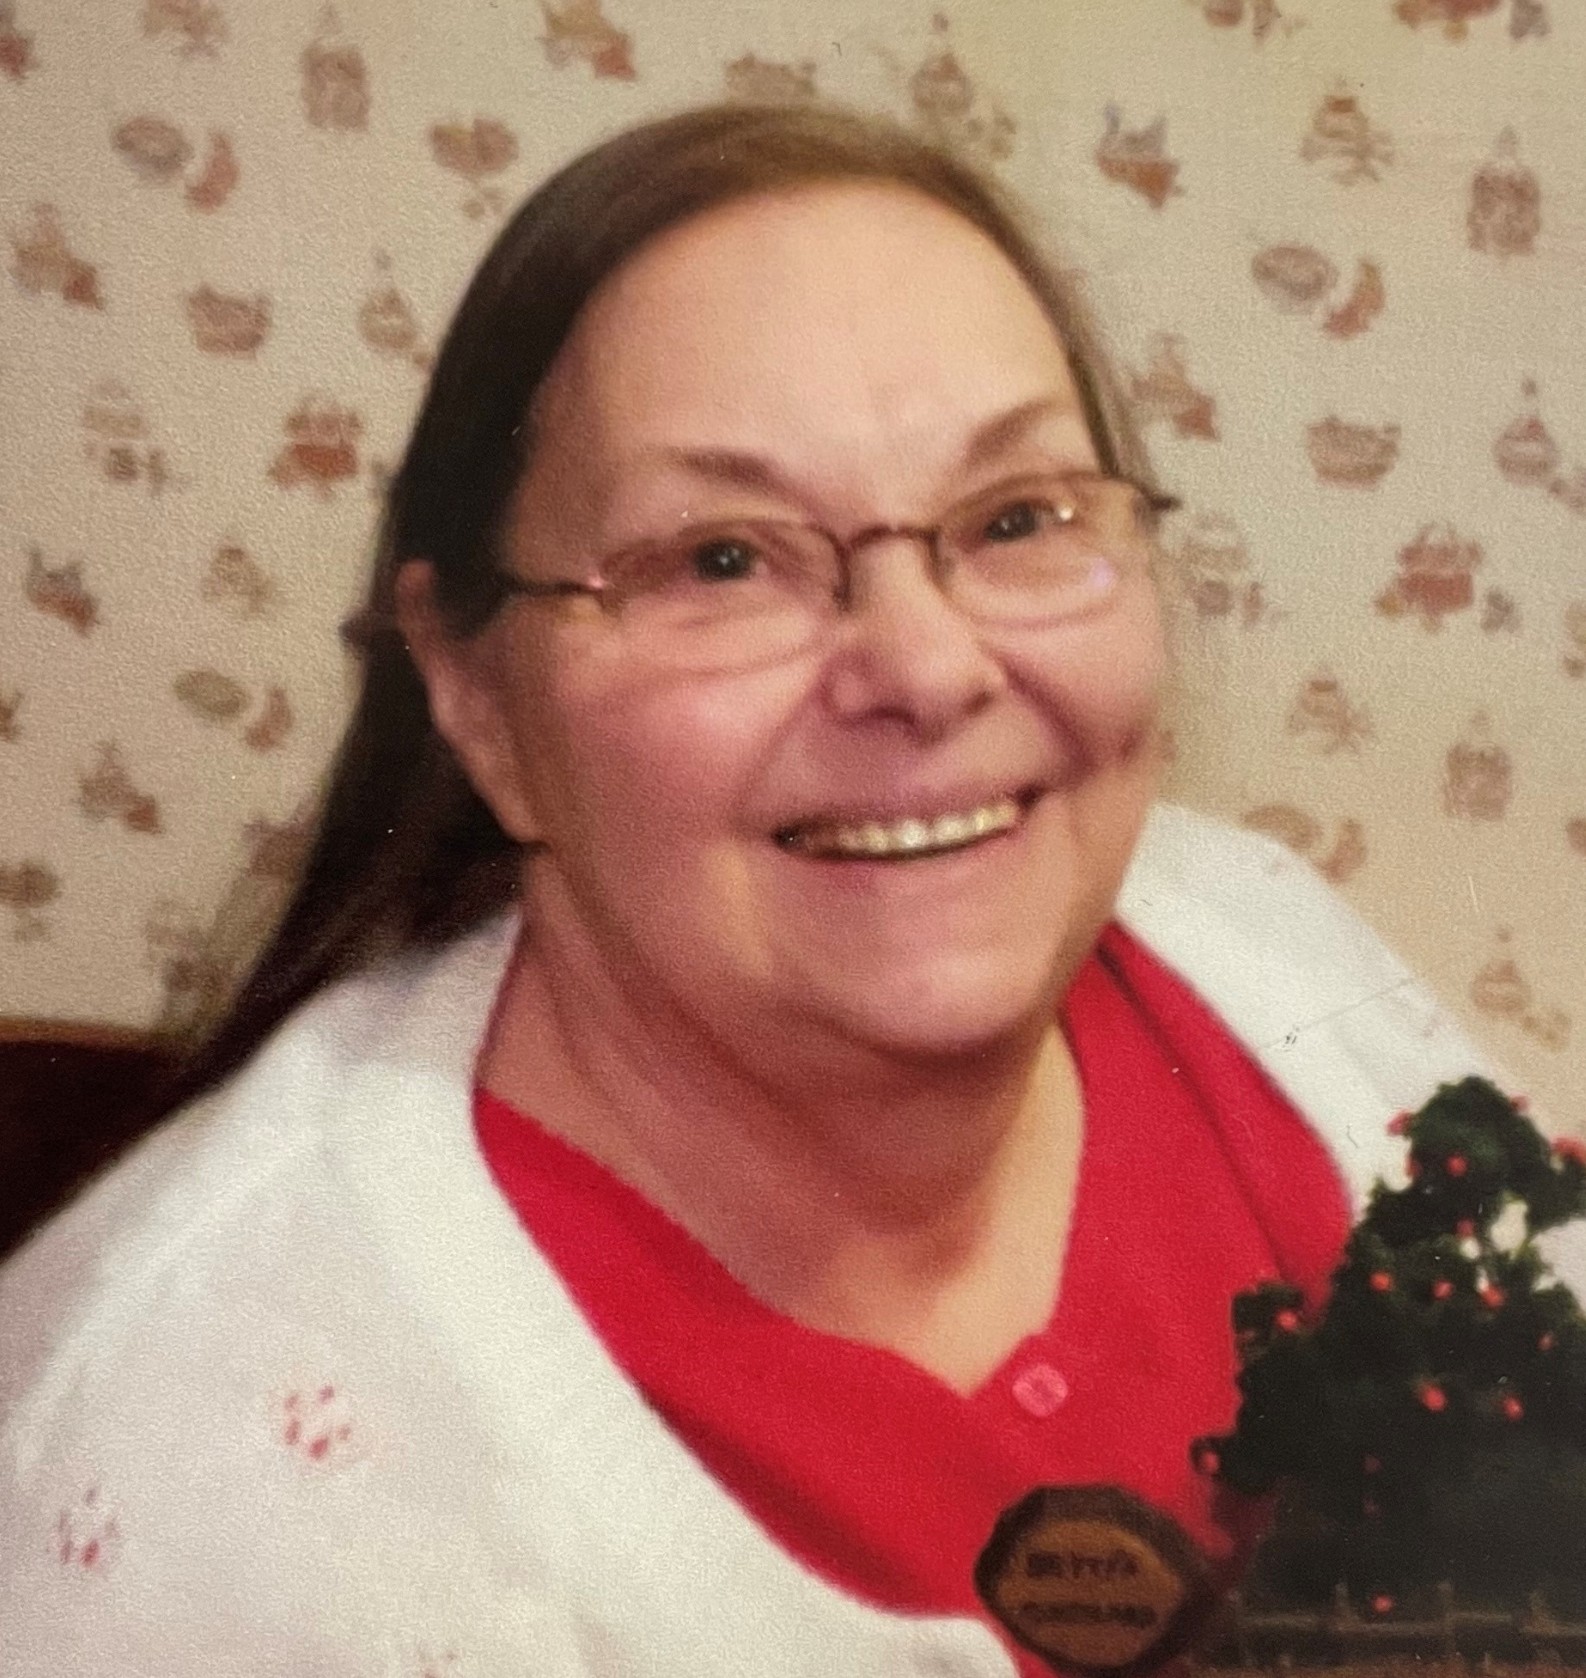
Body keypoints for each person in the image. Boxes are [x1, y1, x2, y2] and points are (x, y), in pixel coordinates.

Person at [0, 103, 1525, 1677]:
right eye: (721, 559)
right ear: (475, 693)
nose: (926, 667)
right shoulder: (202, 1511)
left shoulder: (1264, 949)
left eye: (1015, 517)